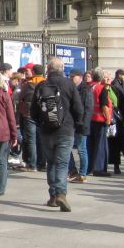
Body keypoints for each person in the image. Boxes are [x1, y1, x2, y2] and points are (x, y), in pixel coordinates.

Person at [32, 59, 86, 212]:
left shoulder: (41, 85)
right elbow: (78, 108)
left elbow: (33, 111)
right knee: (62, 163)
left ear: (48, 69)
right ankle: (61, 193)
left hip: (46, 131)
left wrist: (41, 124)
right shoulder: (69, 84)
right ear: (62, 69)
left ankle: (53, 196)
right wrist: (77, 124)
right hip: (65, 129)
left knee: (51, 163)